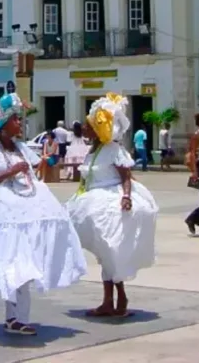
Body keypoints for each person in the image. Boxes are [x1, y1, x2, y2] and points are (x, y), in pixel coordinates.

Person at [0, 93, 87, 336]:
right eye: (15, 119)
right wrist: (11, 171)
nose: (20, 123)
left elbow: (36, 167)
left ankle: (15, 318)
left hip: (23, 213)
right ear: (3, 124)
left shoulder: (21, 148)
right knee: (0, 261)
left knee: (23, 261)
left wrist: (47, 162)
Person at [67, 94, 158, 317]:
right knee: (105, 254)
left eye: (88, 126)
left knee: (110, 251)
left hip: (110, 204)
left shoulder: (114, 150)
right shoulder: (94, 150)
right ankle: (113, 300)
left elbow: (126, 176)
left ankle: (116, 299)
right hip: (93, 202)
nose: (85, 130)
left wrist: (126, 197)